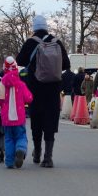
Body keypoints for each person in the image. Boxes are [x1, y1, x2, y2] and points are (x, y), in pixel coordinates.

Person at [16, 15, 70, 168]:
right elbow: (67, 64)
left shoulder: (31, 43)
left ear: (34, 27)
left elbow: (19, 60)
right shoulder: (56, 42)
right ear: (46, 27)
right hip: (53, 89)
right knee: (50, 121)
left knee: (37, 120)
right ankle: (48, 157)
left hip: (35, 88)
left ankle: (37, 153)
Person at [0, 57, 33, 169]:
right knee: (21, 136)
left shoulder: (2, 85)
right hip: (19, 118)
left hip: (6, 119)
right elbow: (29, 98)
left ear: (4, 69)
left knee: (8, 139)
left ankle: (10, 162)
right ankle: (20, 149)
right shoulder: (21, 84)